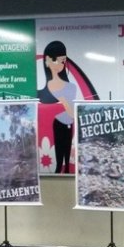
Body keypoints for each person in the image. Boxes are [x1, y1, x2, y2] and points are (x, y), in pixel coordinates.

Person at [38, 41, 77, 174]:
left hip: (66, 124)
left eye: (63, 61)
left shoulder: (71, 88)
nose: (61, 64)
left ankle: (65, 169)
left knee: (65, 153)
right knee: (59, 155)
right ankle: (59, 168)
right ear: (48, 60)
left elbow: (71, 114)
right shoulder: (41, 93)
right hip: (57, 124)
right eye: (58, 60)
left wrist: (63, 99)